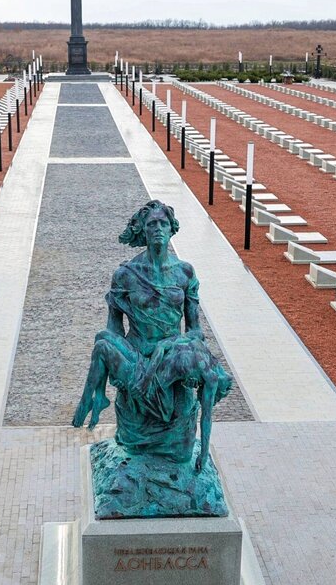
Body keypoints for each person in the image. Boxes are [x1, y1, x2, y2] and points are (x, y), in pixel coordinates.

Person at [72, 200, 231, 471]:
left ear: (172, 229)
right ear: (142, 231)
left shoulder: (185, 272)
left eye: (163, 223)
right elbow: (114, 327)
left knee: (180, 454)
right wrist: (118, 367)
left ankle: (96, 400)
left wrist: (173, 346)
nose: (158, 229)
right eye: (151, 224)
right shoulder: (125, 275)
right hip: (135, 356)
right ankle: (96, 398)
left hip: (173, 363)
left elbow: (195, 331)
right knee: (102, 341)